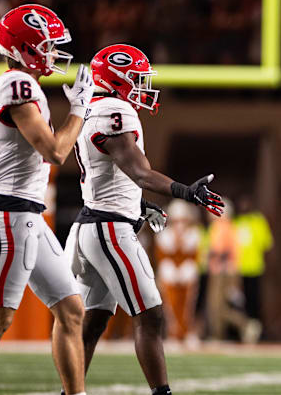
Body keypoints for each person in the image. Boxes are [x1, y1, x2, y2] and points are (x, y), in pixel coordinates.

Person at [64, 44, 224, 395]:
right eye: (136, 78)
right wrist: (185, 191)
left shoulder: (95, 109)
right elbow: (139, 172)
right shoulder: (115, 110)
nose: (142, 86)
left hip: (95, 224)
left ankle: (70, 393)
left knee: (94, 321)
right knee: (150, 315)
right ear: (117, 79)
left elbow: (112, 177)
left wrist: (139, 206)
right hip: (109, 230)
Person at [0, 4, 93, 395]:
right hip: (9, 216)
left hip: (27, 214)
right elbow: (55, 152)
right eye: (47, 45)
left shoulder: (18, 85)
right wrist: (80, 111)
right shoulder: (19, 85)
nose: (53, 52)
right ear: (24, 47)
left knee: (71, 309)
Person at [205, 198, 261, 343]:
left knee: (217, 306)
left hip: (222, 272)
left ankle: (242, 325)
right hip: (225, 271)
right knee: (220, 306)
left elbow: (222, 251)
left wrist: (211, 254)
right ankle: (226, 331)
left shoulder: (222, 226)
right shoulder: (226, 226)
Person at [154, 199, 202, 345]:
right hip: (169, 274)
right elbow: (162, 257)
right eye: (177, 221)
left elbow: (194, 256)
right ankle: (174, 333)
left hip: (187, 273)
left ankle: (187, 331)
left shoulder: (194, 234)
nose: (180, 224)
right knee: (170, 305)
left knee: (188, 305)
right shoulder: (163, 235)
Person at [233, 195, 273, 322]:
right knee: (237, 301)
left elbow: (266, 244)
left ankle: (256, 326)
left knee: (254, 300)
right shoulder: (234, 223)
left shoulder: (258, 221)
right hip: (236, 269)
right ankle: (239, 329)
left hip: (254, 267)